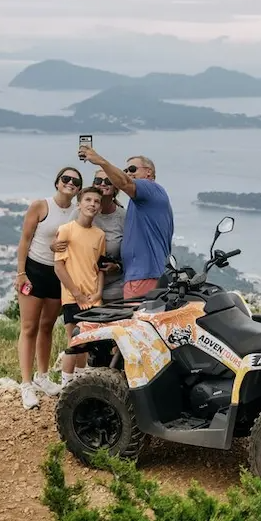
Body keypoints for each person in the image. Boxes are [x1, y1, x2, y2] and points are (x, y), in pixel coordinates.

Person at [14, 166, 80, 409]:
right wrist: (21, 273)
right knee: (29, 327)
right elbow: (25, 240)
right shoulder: (41, 206)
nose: (70, 183)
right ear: (57, 182)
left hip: (57, 274)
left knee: (47, 326)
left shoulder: (76, 211)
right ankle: (26, 383)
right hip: (33, 271)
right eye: (66, 178)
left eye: (75, 181)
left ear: (79, 189)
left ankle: (43, 377)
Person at [76, 149, 173, 300]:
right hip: (141, 276)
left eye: (133, 169)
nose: (128, 173)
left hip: (144, 275)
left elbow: (125, 183)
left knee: (137, 322)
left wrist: (100, 160)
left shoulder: (150, 188)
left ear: (149, 172)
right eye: (125, 170)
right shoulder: (142, 201)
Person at [53, 186, 107, 385]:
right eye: (88, 200)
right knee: (74, 342)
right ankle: (67, 385)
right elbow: (59, 267)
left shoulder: (100, 235)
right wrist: (77, 294)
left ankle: (80, 383)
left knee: (88, 342)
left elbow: (99, 267)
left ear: (100, 208)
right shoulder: (66, 230)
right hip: (72, 296)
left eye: (96, 201)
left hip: (94, 297)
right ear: (79, 203)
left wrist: (99, 292)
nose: (92, 204)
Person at [90, 171, 126, 303]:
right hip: (84, 288)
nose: (103, 184)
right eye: (98, 181)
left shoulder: (123, 217)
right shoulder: (81, 213)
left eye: (108, 181)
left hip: (114, 290)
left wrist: (117, 267)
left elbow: (133, 253)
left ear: (116, 186)